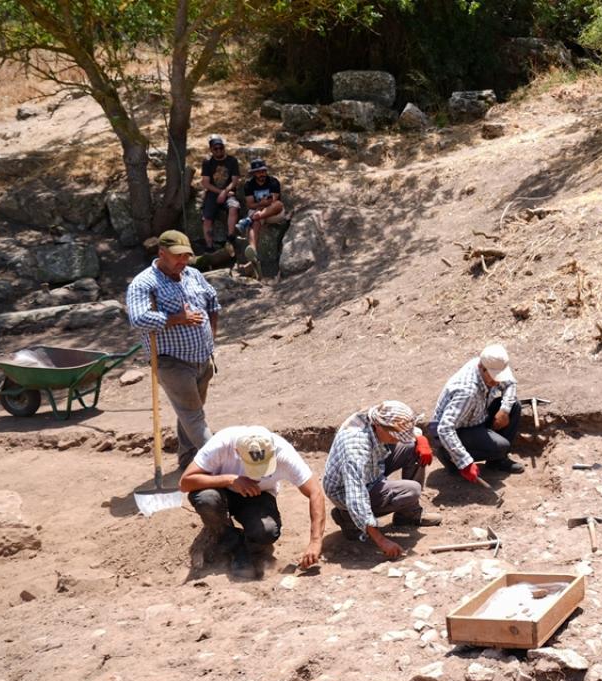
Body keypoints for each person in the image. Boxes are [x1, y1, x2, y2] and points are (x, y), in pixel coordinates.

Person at [126, 230, 220, 468]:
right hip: (171, 361)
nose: (183, 261)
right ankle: (221, 464)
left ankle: (188, 459)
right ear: (161, 254)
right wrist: (177, 318)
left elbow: (212, 301)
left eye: (186, 256)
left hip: (202, 358)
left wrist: (212, 338)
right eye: (177, 256)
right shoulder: (144, 283)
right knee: (194, 416)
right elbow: (138, 319)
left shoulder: (193, 274)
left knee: (191, 411)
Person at [180, 426, 325, 578]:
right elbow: (185, 482)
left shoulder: (283, 452)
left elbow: (315, 492)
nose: (259, 474)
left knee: (267, 532)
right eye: (253, 467)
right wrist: (230, 480)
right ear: (237, 452)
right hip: (221, 491)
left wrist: (315, 541)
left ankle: (249, 544)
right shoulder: (222, 444)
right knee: (206, 500)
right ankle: (233, 544)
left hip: (257, 496)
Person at [322, 401, 441, 559]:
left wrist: (420, 439)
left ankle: (407, 515)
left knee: (413, 448)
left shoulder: (375, 415)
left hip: (372, 469)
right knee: (412, 490)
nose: (397, 439)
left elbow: (402, 428)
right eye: (395, 436)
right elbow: (356, 496)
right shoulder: (355, 447)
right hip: (346, 491)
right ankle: (349, 518)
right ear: (379, 426)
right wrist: (381, 540)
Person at [428, 344, 525, 486]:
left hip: (476, 416)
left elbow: (510, 384)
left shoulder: (492, 363)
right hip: (456, 430)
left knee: (514, 406)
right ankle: (450, 457)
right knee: (501, 446)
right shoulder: (467, 391)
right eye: (493, 377)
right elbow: (445, 428)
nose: (497, 382)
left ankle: (497, 461)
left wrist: (504, 410)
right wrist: (464, 462)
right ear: (481, 367)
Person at [236, 158, 284, 260]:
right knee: (255, 223)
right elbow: (250, 204)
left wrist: (260, 205)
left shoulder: (273, 182)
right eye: (258, 172)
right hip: (258, 212)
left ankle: (249, 219)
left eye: (263, 171)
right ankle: (253, 250)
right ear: (254, 173)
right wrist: (261, 204)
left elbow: (273, 201)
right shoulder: (249, 185)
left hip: (273, 213)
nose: (261, 174)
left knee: (278, 204)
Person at [200, 134, 240, 249]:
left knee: (234, 207)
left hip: (229, 192)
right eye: (215, 148)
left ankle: (230, 237)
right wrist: (220, 192)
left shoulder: (232, 161)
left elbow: (235, 180)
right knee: (207, 218)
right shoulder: (207, 162)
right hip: (213, 193)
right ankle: (209, 245)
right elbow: (205, 183)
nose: (218, 150)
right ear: (211, 149)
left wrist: (225, 192)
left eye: (220, 148)